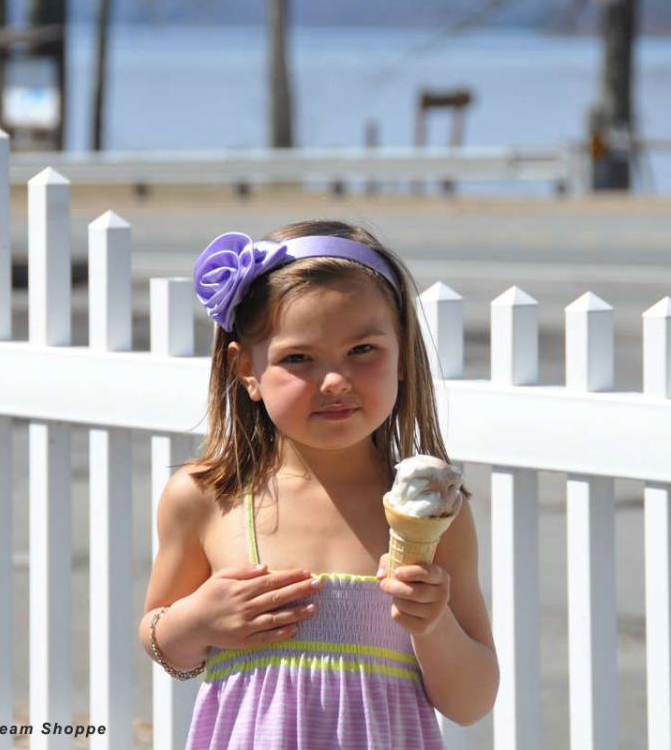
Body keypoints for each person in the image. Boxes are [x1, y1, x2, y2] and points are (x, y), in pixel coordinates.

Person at [138, 220, 498, 748]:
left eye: (363, 350)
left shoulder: (436, 512)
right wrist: (198, 620)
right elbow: (160, 640)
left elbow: (471, 703)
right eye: (298, 359)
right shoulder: (206, 499)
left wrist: (432, 623)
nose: (335, 381)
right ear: (247, 371)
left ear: (402, 355)